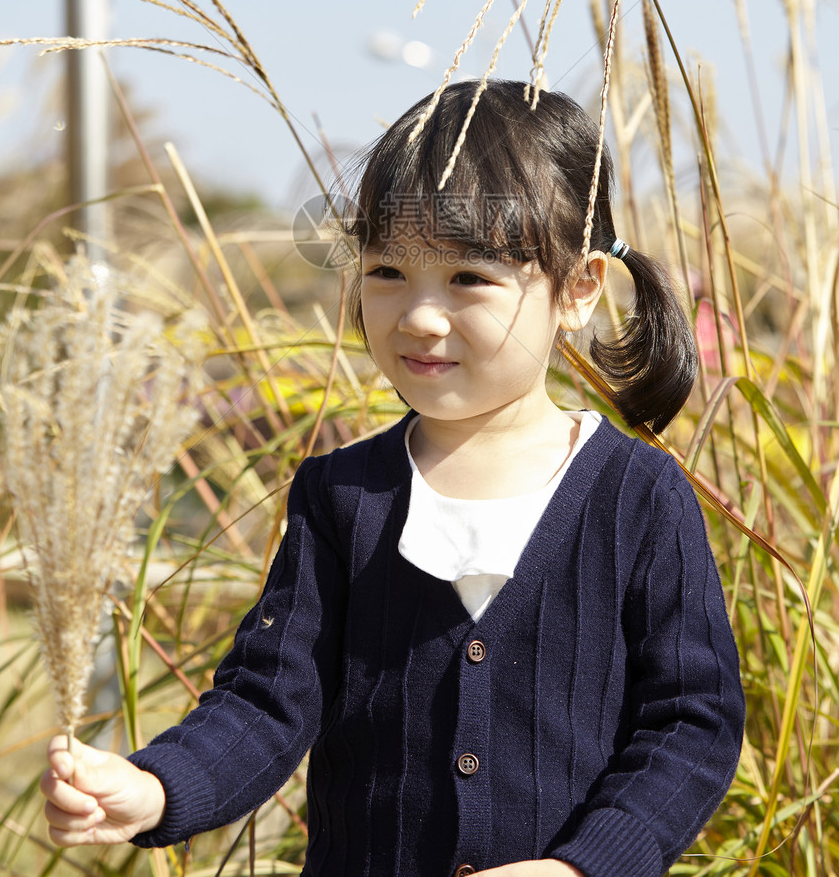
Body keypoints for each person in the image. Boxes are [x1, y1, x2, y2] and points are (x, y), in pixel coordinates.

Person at [41, 81, 745, 877]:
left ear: (577, 288)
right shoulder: (341, 496)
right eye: (387, 271)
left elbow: (691, 724)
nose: (418, 316)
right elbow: (268, 699)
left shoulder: (638, 497)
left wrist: (586, 866)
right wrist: (153, 786)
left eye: (469, 279)